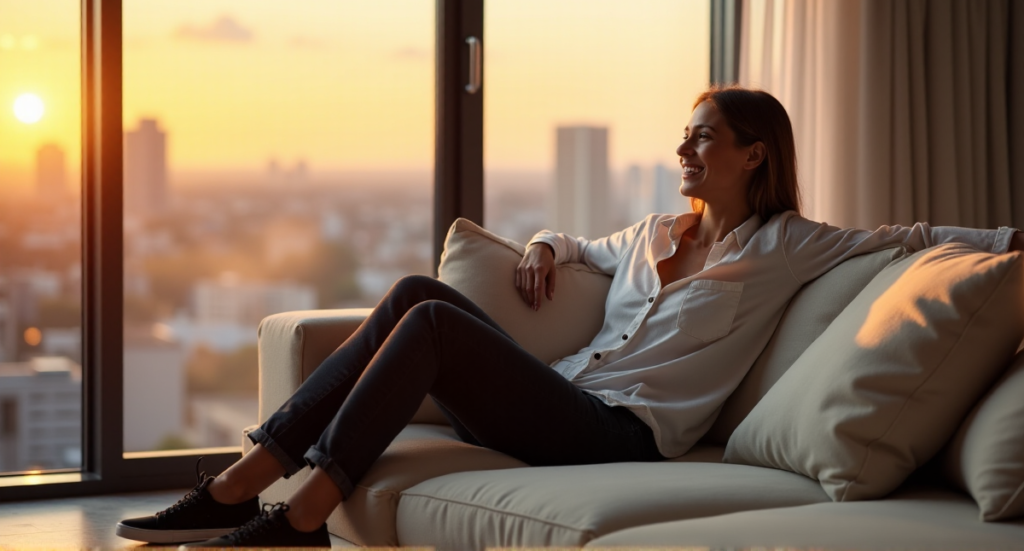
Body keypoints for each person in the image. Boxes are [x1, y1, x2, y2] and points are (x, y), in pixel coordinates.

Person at [116, 86, 1024, 548]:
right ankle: (243, 481)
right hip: (557, 404)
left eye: (704, 136)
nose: (684, 147)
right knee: (411, 295)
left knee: (430, 328)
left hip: (621, 434)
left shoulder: (790, 245)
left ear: (755, 155)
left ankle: (299, 512)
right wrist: (547, 246)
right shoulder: (655, 230)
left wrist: (1009, 238)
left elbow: (913, 235)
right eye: (687, 133)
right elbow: (579, 241)